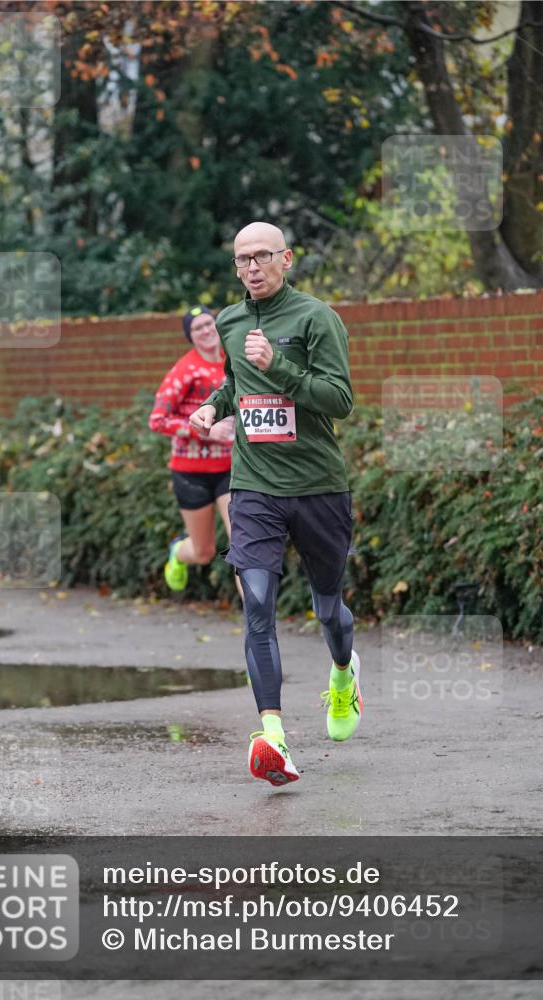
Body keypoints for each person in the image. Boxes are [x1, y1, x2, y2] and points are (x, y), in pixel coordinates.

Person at [189, 222, 362, 787]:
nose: (251, 268)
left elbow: (340, 400)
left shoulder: (316, 318)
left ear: (286, 259)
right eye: (242, 260)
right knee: (257, 604)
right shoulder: (230, 320)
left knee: (328, 610)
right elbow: (233, 382)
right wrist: (214, 407)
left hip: (317, 487)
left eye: (262, 256)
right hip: (254, 486)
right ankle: (273, 737)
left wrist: (279, 367)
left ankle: (344, 675)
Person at [149, 305, 241, 600]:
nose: (205, 330)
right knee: (204, 552)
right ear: (190, 336)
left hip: (230, 468)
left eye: (208, 323)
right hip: (191, 473)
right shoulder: (184, 371)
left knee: (243, 543)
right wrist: (206, 431)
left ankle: (257, 620)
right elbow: (158, 420)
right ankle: (178, 550)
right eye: (197, 328)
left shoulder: (232, 362)